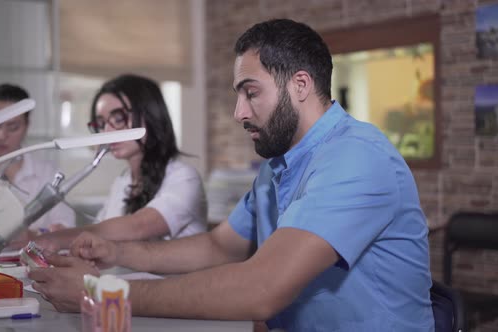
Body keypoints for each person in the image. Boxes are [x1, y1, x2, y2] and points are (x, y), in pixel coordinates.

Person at [29, 19, 434, 331]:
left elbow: (263, 287)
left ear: (300, 85)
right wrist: (117, 254)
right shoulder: (278, 166)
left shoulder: (355, 157)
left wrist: (100, 292)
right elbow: (219, 247)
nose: (239, 112)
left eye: (250, 92)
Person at [35, 74, 207, 249]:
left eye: (118, 119)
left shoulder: (184, 178)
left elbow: (138, 226)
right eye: (101, 123)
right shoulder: (121, 183)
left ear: (150, 116)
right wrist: (63, 233)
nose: (107, 131)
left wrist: (65, 237)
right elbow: (102, 233)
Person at [0, 83, 75, 241]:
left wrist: (31, 236)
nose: (2, 135)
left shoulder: (47, 174)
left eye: (12, 127)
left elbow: (66, 228)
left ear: (26, 127)